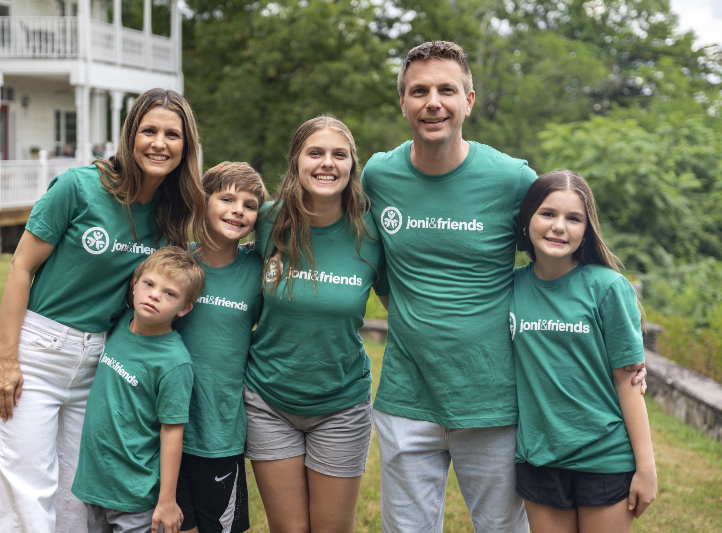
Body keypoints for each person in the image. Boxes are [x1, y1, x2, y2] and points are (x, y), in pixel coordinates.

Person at [361, 41, 646, 533]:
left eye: (447, 90)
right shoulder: (379, 175)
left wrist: (618, 343)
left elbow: (561, 249)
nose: (433, 102)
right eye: (419, 91)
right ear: (403, 102)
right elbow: (381, 273)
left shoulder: (512, 179)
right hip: (406, 398)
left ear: (468, 100)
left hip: (494, 402)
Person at [0, 88, 207, 533]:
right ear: (130, 135)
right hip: (39, 350)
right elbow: (20, 267)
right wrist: (8, 360)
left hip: (101, 360)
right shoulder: (79, 186)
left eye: (172, 134)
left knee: (77, 496)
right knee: (28, 489)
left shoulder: (171, 213)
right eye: (149, 130)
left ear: (186, 147)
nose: (159, 143)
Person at [245, 116, 384, 533]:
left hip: (341, 405)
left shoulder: (372, 233)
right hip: (269, 401)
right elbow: (216, 255)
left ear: (351, 166)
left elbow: (406, 305)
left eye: (339, 155)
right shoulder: (266, 221)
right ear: (296, 162)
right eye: (316, 153)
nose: (328, 163)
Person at [511, 170, 657, 533]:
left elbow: (628, 383)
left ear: (586, 228)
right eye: (548, 214)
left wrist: (646, 468)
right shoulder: (509, 287)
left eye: (573, 218)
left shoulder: (608, 287)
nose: (559, 227)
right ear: (528, 217)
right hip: (539, 458)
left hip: (605, 458)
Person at [72, 246, 204, 533]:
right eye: (149, 284)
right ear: (135, 285)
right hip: (93, 481)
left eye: (170, 293)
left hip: (134, 493)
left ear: (184, 308)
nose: (155, 294)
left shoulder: (174, 362)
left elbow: (172, 431)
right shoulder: (119, 323)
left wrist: (167, 501)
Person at [173, 162, 268, 533]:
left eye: (249, 205)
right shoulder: (177, 262)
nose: (237, 210)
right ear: (203, 201)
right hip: (167, 423)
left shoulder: (259, 272)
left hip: (221, 432)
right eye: (226, 198)